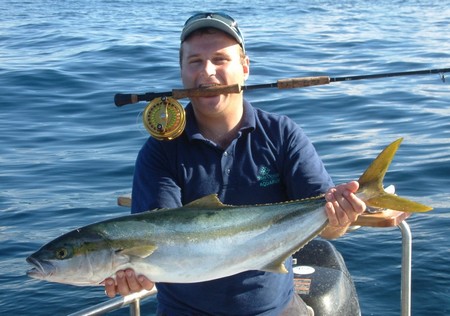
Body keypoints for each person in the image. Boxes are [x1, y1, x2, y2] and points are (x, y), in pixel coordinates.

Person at [104, 12, 366, 315]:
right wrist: (135, 275)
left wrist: (340, 217)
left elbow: (329, 225)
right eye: (195, 62)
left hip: (276, 309)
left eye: (220, 59)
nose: (207, 73)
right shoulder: (161, 151)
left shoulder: (281, 135)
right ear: (181, 72)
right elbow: (156, 238)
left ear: (244, 68)